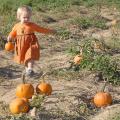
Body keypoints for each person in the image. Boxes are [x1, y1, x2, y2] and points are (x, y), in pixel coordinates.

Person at [7, 5, 56, 76]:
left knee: (30, 54)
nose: (26, 19)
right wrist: (10, 37)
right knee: (24, 57)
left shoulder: (32, 25)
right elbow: (12, 33)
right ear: (19, 17)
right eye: (24, 17)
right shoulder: (16, 26)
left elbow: (41, 29)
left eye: (28, 17)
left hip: (31, 42)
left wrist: (50, 31)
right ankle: (28, 69)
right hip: (21, 44)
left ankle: (30, 68)